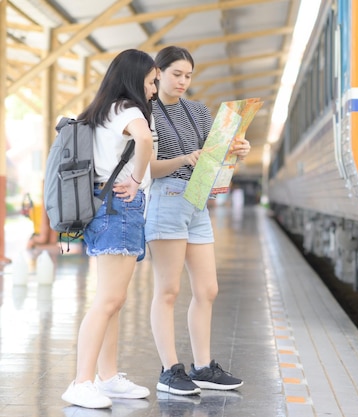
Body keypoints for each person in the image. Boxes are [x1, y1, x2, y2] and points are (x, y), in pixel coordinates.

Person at [146, 45, 249, 395]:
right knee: (169, 289)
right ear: (157, 72)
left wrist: (235, 150)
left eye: (188, 76)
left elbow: (213, 157)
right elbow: (147, 169)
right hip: (166, 197)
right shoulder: (146, 113)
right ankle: (169, 370)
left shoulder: (200, 112)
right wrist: (185, 158)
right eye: (176, 74)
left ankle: (203, 367)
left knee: (208, 289)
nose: (183, 82)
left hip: (197, 201)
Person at [61, 49, 157, 409]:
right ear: (135, 80)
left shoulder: (106, 110)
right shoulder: (129, 110)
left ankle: (108, 377)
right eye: (151, 82)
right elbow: (145, 142)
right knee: (108, 300)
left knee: (113, 301)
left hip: (108, 206)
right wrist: (135, 179)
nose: (153, 90)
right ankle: (81, 381)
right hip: (120, 207)